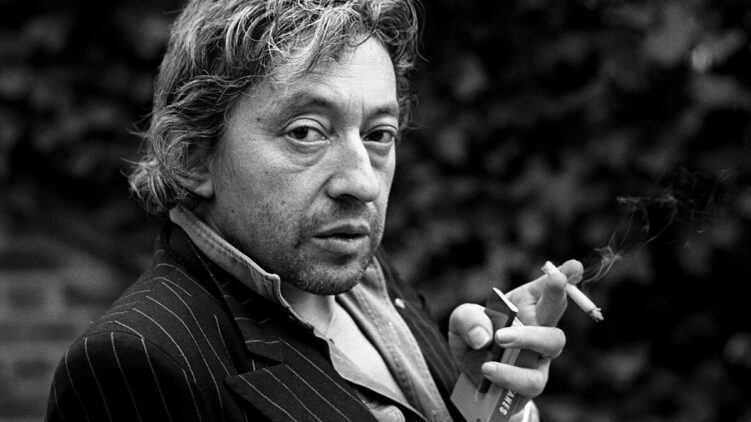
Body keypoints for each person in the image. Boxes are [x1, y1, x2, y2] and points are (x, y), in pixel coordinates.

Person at [46, 0, 581, 421]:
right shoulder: (135, 362)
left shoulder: (365, 278)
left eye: (378, 134)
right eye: (306, 132)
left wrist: (484, 398)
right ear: (192, 155)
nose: (362, 183)